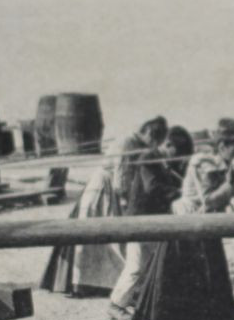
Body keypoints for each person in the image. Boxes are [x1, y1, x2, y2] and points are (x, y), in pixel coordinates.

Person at [123, 127, 234, 320]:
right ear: (223, 147)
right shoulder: (204, 163)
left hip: (201, 220)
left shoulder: (224, 163)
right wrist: (230, 183)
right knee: (191, 273)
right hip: (189, 221)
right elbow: (208, 199)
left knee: (196, 273)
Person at [39, 117, 167, 297]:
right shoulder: (128, 142)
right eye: (154, 139)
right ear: (148, 133)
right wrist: (125, 198)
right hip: (106, 187)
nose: (154, 144)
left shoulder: (137, 142)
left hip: (111, 185)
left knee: (107, 240)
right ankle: (85, 283)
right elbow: (121, 174)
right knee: (104, 233)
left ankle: (101, 282)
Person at [107, 125, 194, 318]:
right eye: (176, 153)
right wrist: (180, 194)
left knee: (151, 264)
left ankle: (136, 299)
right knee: (136, 265)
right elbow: (153, 187)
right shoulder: (148, 158)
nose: (176, 158)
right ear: (168, 144)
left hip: (153, 222)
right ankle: (115, 304)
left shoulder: (163, 162)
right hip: (139, 221)